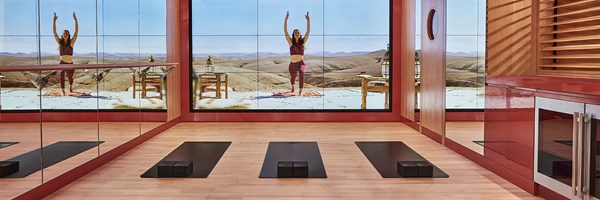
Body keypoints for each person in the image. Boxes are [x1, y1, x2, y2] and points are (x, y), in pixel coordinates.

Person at [284, 11, 310, 95]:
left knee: (302, 74)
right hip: (292, 64)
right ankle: (292, 86)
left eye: (298, 32)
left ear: (299, 34)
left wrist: (308, 21)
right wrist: (286, 19)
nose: (297, 33)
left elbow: (308, 32)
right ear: (293, 34)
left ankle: (300, 90)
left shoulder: (303, 42)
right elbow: (285, 32)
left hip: (301, 63)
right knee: (293, 78)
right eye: (295, 32)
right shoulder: (291, 43)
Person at [53, 12, 79, 95]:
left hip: (70, 63)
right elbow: (54, 33)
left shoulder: (71, 43)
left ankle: (70, 86)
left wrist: (75, 20)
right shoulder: (60, 43)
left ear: (68, 35)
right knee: (61, 76)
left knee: (70, 77)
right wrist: (54, 21)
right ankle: (63, 90)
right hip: (62, 63)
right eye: (63, 33)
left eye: (66, 33)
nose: (64, 34)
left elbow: (76, 32)